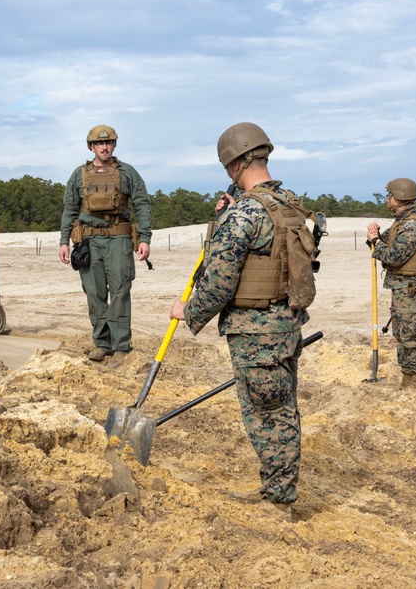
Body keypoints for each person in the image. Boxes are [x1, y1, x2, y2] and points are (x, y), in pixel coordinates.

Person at [169, 122, 308, 521]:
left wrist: (188, 311)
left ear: (235, 164)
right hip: (286, 324)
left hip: (254, 332)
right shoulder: (288, 203)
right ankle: (278, 490)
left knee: (267, 415)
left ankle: (279, 502)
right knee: (283, 408)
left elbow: (218, 283)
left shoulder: (245, 213)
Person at [59, 125, 152, 369]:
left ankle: (121, 347)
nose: (104, 147)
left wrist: (144, 238)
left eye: (109, 142)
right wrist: (64, 242)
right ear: (91, 146)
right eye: (99, 143)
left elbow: (142, 204)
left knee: (120, 290)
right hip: (88, 241)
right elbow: (69, 209)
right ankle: (102, 343)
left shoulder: (127, 172)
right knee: (95, 293)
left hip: (119, 239)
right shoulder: (79, 175)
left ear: (114, 145)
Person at [366, 178, 416, 391]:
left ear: (399, 197)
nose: (387, 200)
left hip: (411, 288)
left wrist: (375, 241)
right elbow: (381, 244)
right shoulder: (400, 223)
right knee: (401, 333)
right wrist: (373, 237)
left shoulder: (412, 226)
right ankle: (407, 379)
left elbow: (394, 257)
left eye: (389, 195)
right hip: (401, 288)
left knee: (413, 333)